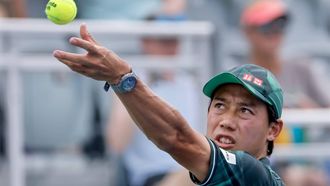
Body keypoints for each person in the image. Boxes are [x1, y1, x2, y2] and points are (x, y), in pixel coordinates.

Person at [53, 23, 285, 185]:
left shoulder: (255, 175)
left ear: (273, 130)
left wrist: (121, 78)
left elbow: (177, 138)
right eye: (219, 106)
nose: (226, 121)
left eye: (244, 111)